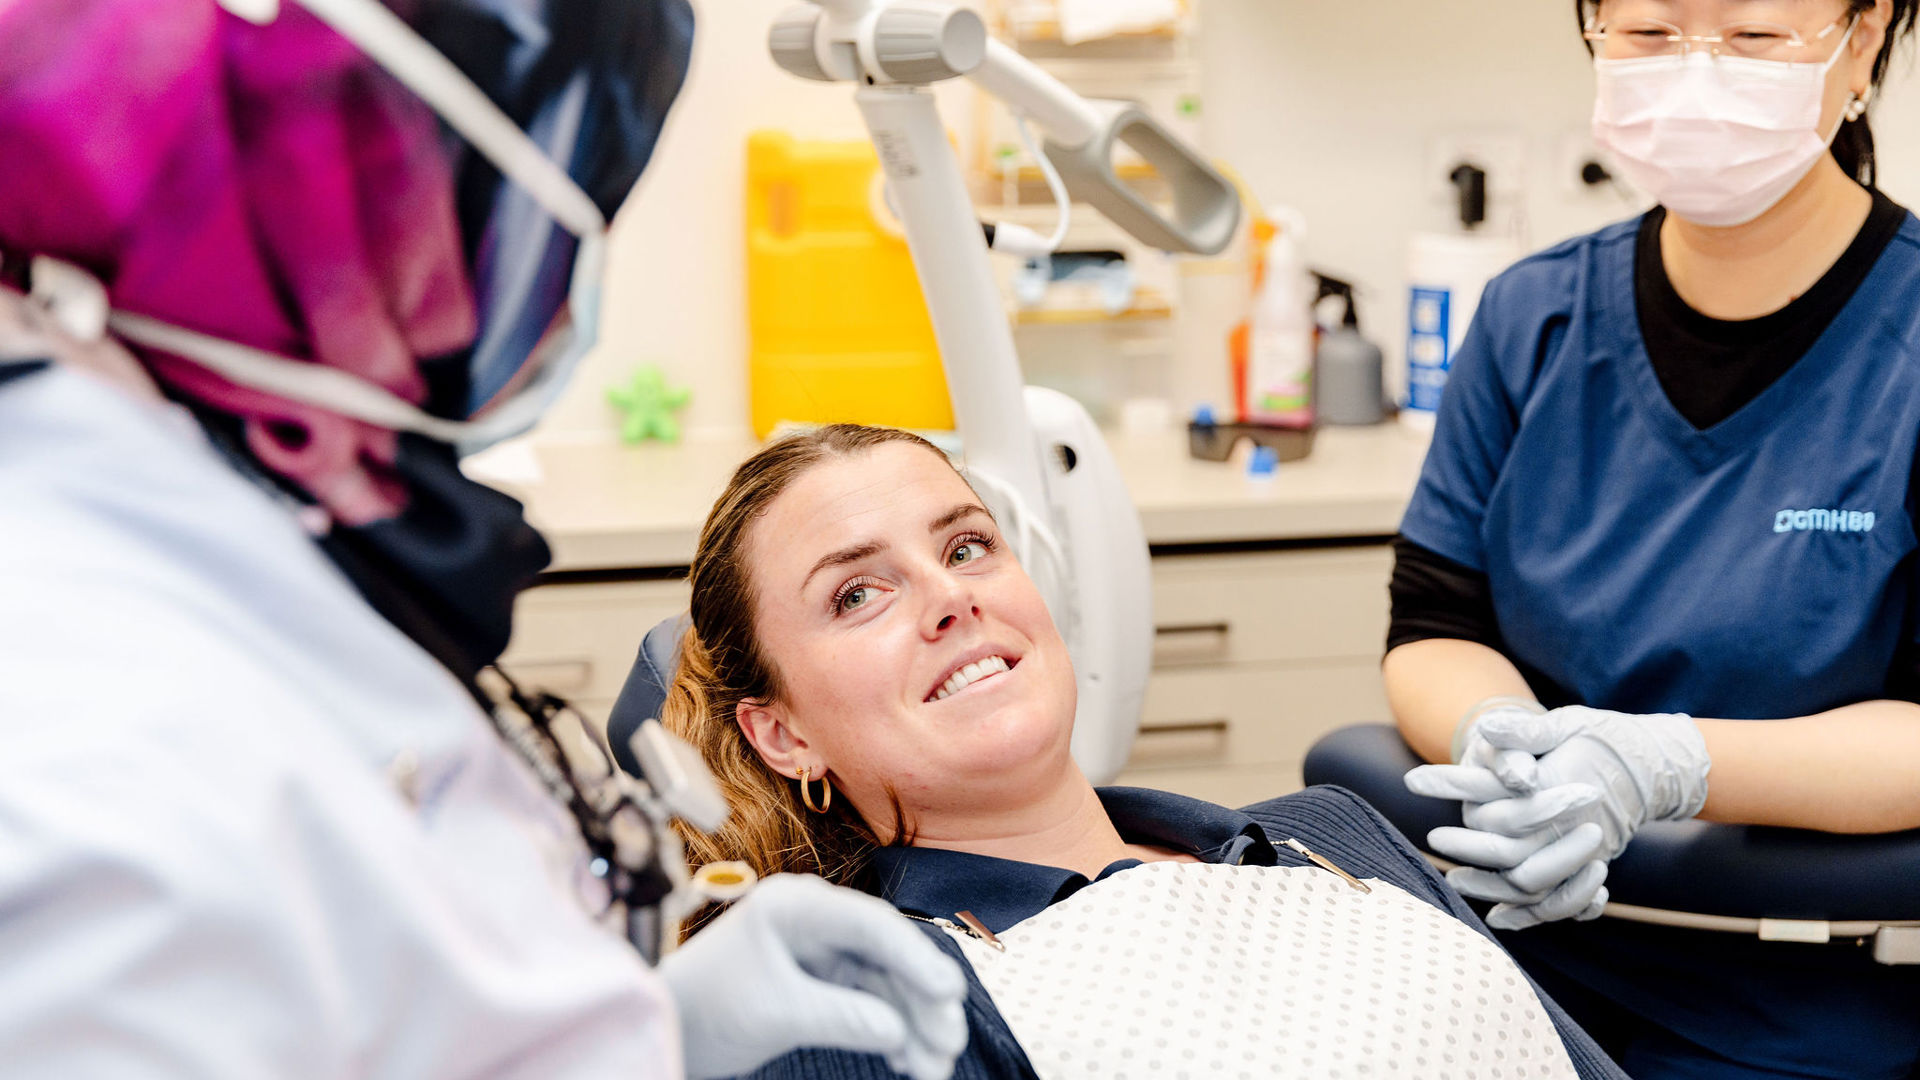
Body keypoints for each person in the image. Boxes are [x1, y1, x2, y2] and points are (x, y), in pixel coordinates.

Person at [0, 3, 969, 1077]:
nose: (543, 318)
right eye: (499, 222)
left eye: (970, 546)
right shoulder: (81, 750)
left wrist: (647, 1029)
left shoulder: (218, 516)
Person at [654, 422, 1631, 1080]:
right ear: (783, 735)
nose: (951, 597)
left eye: (964, 548)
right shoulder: (859, 1000)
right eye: (857, 594)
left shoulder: (1321, 831)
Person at [1384, 0, 1920, 1075]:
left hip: (1802, 1000)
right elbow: (1434, 624)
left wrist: (1663, 765)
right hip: (1503, 964)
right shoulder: (1530, 316)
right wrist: (1503, 739)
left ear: (1860, 43)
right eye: (1649, 33)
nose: (1696, 74)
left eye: (1756, 36)